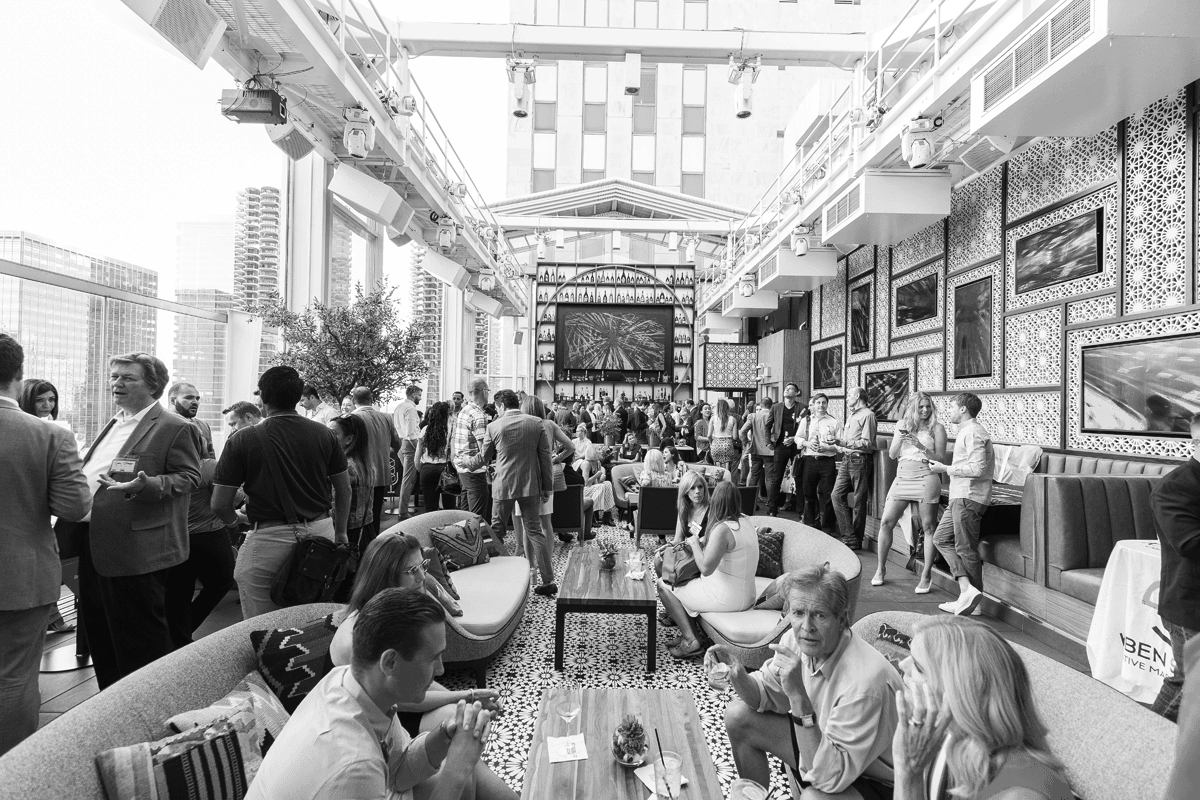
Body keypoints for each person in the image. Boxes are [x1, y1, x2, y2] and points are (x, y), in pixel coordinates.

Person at [245, 588, 516, 800]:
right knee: (461, 775)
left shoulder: (351, 685)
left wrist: (445, 733)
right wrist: (457, 769)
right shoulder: (353, 767)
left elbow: (397, 772)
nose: (441, 670)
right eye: (433, 658)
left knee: (465, 775)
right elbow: (371, 772)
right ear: (390, 662)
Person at [65, 352, 203, 690]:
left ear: (153, 386)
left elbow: (189, 477)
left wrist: (148, 485)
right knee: (101, 634)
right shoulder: (114, 422)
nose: (116, 383)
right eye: (114, 376)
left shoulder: (175, 426)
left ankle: (149, 706)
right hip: (94, 543)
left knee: (140, 642)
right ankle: (111, 703)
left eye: (127, 378)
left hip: (137, 550)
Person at [714, 565, 902, 798]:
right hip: (825, 746)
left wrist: (797, 696)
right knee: (738, 717)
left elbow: (827, 780)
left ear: (841, 619)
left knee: (813, 797)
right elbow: (763, 694)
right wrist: (738, 675)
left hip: (880, 781)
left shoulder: (864, 684)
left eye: (820, 615)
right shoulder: (796, 641)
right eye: (798, 613)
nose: (806, 627)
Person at [0, 334, 91, 755]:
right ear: (18, 376)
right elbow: (74, 507)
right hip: (20, 576)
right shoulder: (49, 435)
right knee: (14, 677)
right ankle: (12, 770)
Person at [327, 534, 502, 737]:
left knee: (464, 713)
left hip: (393, 697)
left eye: (422, 566)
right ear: (385, 577)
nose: (422, 577)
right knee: (462, 722)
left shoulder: (397, 610)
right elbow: (400, 697)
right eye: (411, 571)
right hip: (362, 715)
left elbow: (415, 676)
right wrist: (465, 696)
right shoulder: (362, 636)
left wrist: (465, 697)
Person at [213, 366, 351, 619]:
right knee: (311, 618)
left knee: (263, 625)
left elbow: (220, 503)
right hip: (321, 536)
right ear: (298, 397)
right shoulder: (325, 434)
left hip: (268, 540)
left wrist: (235, 521)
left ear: (263, 398)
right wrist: (340, 531)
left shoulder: (242, 439)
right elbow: (343, 489)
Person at [892, 617, 1071, 800]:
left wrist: (908, 773)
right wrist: (906, 768)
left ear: (961, 692)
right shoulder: (955, 744)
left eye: (918, 667)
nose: (902, 664)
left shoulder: (1020, 795)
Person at [465, 389, 555, 595]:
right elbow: (545, 457)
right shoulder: (536, 423)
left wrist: (465, 463)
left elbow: (483, 457)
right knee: (534, 531)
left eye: (496, 407)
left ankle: (497, 579)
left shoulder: (494, 426)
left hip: (503, 486)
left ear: (501, 405)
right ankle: (548, 581)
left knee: (496, 532)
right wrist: (547, 487)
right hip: (530, 485)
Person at [657, 482, 757, 659]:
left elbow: (705, 568)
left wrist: (695, 543)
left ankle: (691, 641)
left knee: (664, 584)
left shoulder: (722, 529)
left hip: (725, 598)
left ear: (716, 501)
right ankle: (688, 634)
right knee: (685, 581)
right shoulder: (746, 520)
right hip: (747, 595)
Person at [1150, 412, 1200, 721]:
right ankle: (1144, 739)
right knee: (1188, 682)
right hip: (1191, 604)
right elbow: (1190, 543)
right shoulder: (1173, 488)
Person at [19, 378, 78, 634]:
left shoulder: (51, 430)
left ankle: (52, 617)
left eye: (51, 399)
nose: (47, 405)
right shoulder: (37, 432)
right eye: (40, 399)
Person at [927, 393, 993, 616]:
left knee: (966, 549)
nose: (950, 411)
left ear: (963, 409)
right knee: (940, 538)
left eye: (953, 407)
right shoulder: (968, 431)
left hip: (968, 497)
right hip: (961, 496)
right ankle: (966, 590)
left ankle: (974, 604)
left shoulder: (972, 432)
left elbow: (978, 469)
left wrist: (945, 469)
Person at [873, 393, 947, 589]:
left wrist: (918, 445)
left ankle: (926, 575)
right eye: (920, 407)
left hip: (926, 476)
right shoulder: (902, 424)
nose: (925, 410)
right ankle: (880, 569)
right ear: (913, 408)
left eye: (928, 406)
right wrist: (900, 436)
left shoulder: (937, 428)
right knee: (886, 522)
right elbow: (892, 454)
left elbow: (941, 459)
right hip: (903, 476)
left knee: (929, 527)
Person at [164, 456, 240, 646]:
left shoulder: (168, 467)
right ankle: (181, 633)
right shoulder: (207, 466)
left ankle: (179, 637)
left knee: (179, 592)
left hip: (175, 536)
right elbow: (231, 499)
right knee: (222, 581)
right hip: (208, 535)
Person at [509, 395, 574, 546]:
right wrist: (557, 458)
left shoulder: (521, 424)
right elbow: (571, 447)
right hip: (546, 475)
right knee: (546, 523)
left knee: (528, 524)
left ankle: (530, 560)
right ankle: (547, 558)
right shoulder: (549, 424)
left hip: (524, 475)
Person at [352, 387, 402, 544]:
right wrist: (385, 452)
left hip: (361, 474)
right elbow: (397, 443)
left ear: (353, 400)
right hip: (381, 472)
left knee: (358, 516)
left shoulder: (353, 418)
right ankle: (374, 546)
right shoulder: (386, 417)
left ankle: (361, 548)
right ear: (371, 399)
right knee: (375, 515)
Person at [832, 387, 878, 550]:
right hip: (847, 459)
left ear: (858, 396)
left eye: (849, 396)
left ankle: (855, 540)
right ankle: (849, 536)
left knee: (859, 500)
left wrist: (842, 443)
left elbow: (867, 443)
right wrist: (838, 445)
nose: (847, 399)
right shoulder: (853, 415)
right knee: (836, 495)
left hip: (860, 460)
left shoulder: (868, 415)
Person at [327, 414, 375, 556]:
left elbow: (337, 503)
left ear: (349, 439)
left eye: (333, 433)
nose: (328, 437)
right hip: (365, 528)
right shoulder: (363, 462)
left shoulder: (345, 467)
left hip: (347, 532)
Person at [797, 393, 843, 534]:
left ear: (827, 404)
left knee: (828, 495)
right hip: (809, 460)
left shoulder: (834, 422)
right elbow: (798, 438)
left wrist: (828, 448)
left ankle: (827, 528)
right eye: (818, 403)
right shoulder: (806, 420)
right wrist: (808, 444)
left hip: (827, 461)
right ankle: (811, 524)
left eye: (824, 403)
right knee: (809, 493)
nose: (821, 405)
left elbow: (840, 445)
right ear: (814, 404)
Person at [452, 378, 491, 517]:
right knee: (477, 515)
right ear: (483, 391)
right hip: (474, 469)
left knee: (465, 512)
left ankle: (465, 532)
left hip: (462, 467)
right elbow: (483, 448)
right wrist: (488, 466)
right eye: (488, 391)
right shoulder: (478, 415)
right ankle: (475, 532)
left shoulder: (465, 410)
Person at [768, 383, 808, 516]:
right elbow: (767, 425)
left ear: (797, 393)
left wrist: (794, 438)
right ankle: (772, 509)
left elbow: (806, 429)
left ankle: (802, 512)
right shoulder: (776, 407)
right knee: (776, 478)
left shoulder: (802, 408)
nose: (787, 389)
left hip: (796, 447)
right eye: (786, 388)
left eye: (790, 389)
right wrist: (768, 442)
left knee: (798, 478)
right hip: (780, 446)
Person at [414, 401, 452, 516]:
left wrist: (420, 468)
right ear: (447, 415)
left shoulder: (425, 429)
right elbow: (453, 453)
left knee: (430, 508)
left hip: (427, 469)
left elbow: (418, 452)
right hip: (445, 469)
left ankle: (432, 527)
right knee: (449, 508)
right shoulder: (450, 429)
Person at [393, 384, 423, 520]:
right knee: (408, 480)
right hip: (410, 445)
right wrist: (419, 450)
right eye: (419, 395)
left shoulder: (399, 407)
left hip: (402, 443)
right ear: (413, 394)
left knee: (407, 479)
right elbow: (411, 434)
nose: (420, 398)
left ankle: (402, 510)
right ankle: (403, 512)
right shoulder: (410, 409)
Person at [741, 396, 775, 514]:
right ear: (771, 406)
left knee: (754, 475)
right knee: (769, 478)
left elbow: (742, 431)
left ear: (761, 405)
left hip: (755, 449)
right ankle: (771, 505)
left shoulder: (753, 416)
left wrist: (746, 443)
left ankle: (750, 503)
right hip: (770, 450)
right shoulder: (774, 415)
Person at [168, 381, 215, 458]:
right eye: (189, 398)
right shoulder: (161, 424)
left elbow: (210, 458)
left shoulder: (203, 425)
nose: (195, 402)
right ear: (173, 401)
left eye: (197, 398)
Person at [709, 398, 740, 474]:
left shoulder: (713, 418)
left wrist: (711, 443)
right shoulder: (733, 419)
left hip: (716, 444)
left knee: (716, 469)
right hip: (728, 445)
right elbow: (735, 437)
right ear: (727, 408)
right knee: (727, 469)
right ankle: (726, 480)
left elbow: (709, 435)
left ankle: (717, 481)